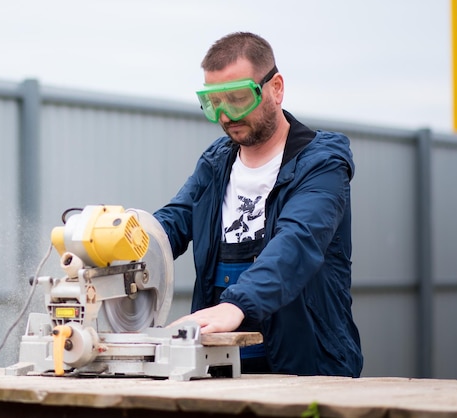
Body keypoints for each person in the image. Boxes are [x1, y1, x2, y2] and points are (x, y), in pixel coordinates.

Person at [153, 32, 363, 377]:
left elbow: (297, 243)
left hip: (309, 370)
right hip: (221, 371)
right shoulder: (216, 162)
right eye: (213, 103)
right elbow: (175, 221)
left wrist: (236, 304)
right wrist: (130, 237)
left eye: (237, 99)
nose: (225, 116)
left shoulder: (322, 163)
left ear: (276, 88)